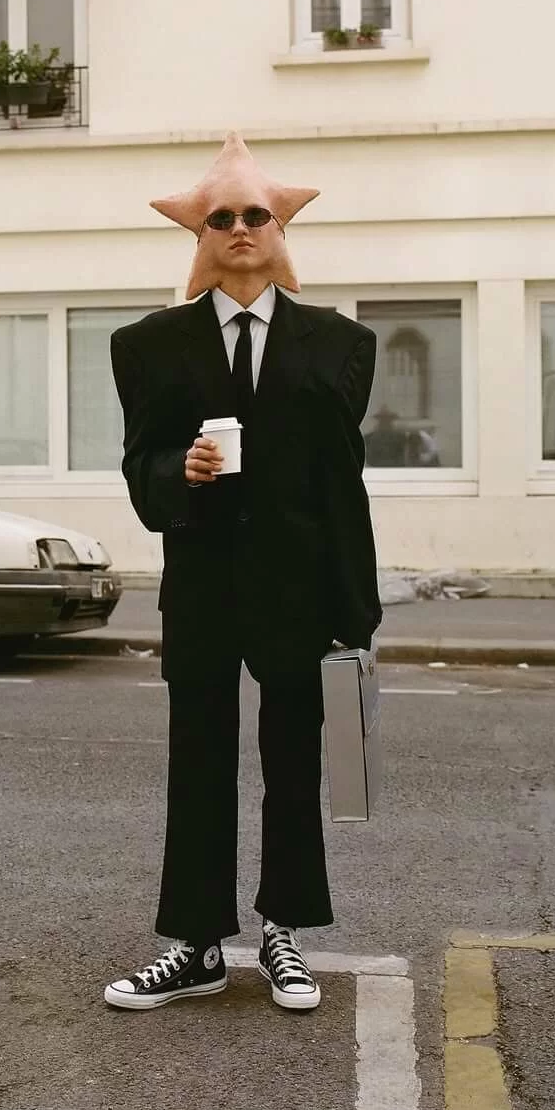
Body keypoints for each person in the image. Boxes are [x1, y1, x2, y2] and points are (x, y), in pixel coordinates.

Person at [106, 132, 381, 1013]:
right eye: (220, 217)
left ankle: (282, 932)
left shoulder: (341, 344)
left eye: (254, 214)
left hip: (300, 592)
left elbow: (343, 485)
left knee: (294, 767)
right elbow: (139, 466)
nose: (238, 229)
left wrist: (357, 612)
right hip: (202, 588)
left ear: (278, 227)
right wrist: (175, 473)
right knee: (198, 765)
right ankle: (195, 945)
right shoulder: (147, 345)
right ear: (199, 233)